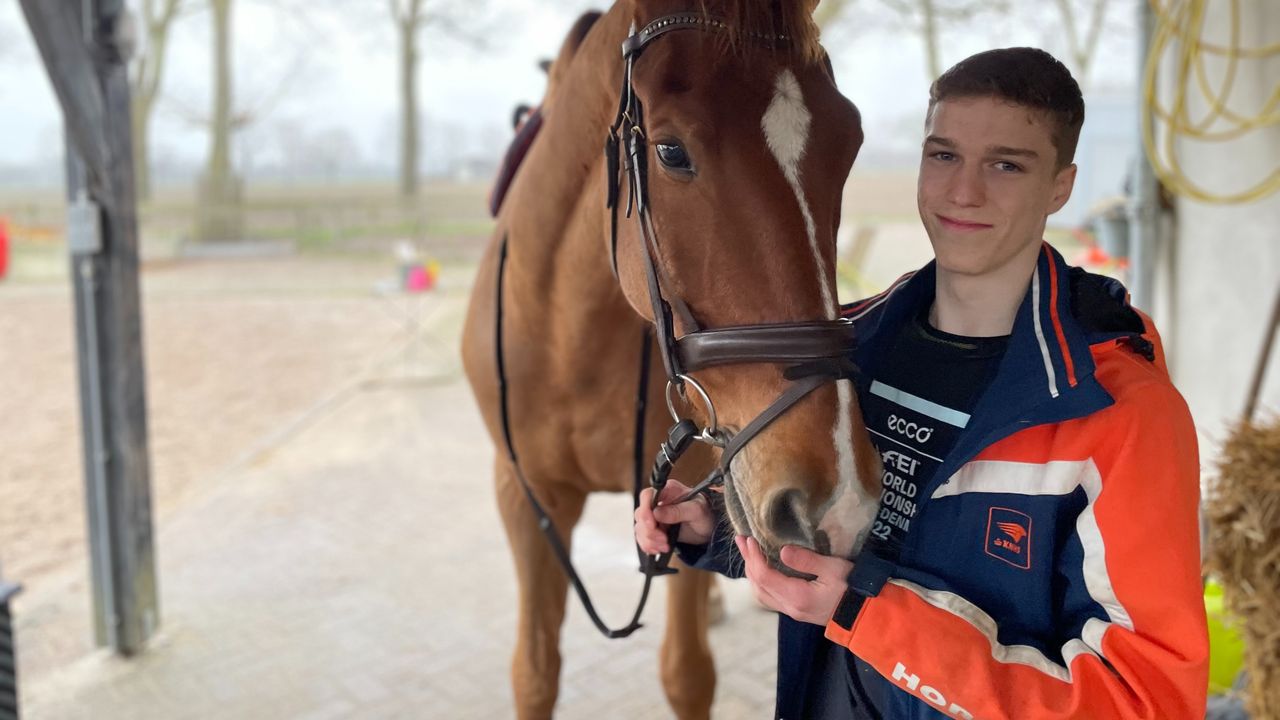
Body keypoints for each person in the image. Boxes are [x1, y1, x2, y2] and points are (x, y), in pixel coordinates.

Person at [635, 47, 1208, 719]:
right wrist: (715, 536)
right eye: (943, 156)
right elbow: (834, 557)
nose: (963, 191)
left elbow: (1150, 702)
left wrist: (869, 614)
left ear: (1060, 186)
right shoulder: (851, 352)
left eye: (1005, 164)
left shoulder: (1122, 414)